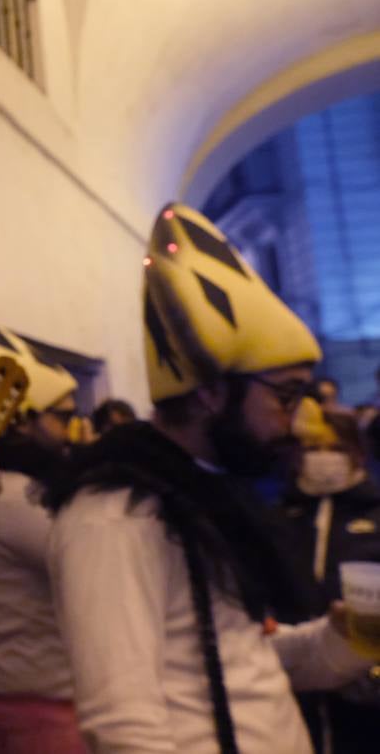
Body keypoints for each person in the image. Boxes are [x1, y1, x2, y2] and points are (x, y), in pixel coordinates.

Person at [44, 202, 373, 753]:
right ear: (210, 392)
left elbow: (245, 662)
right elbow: (125, 730)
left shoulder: (206, 488)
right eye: (285, 397)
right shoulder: (115, 517)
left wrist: (346, 639)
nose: (296, 423)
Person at [0, 306, 88, 754]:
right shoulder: (15, 499)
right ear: (23, 421)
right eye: (62, 418)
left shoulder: (4, 492)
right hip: (39, 725)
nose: (75, 431)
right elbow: (99, 569)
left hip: (2, 710)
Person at [279, 399, 380, 754]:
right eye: (312, 448)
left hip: (367, 698)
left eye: (336, 448)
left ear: (357, 454)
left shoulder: (376, 513)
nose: (323, 457)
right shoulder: (276, 517)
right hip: (295, 692)